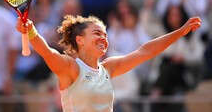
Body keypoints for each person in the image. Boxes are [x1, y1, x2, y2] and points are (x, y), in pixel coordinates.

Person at [16, 12, 201, 112]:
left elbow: (146, 51)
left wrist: (180, 32)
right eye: (97, 33)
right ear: (80, 39)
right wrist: (31, 31)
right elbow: (47, 53)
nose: (103, 38)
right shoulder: (70, 68)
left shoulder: (108, 67)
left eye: (105, 35)